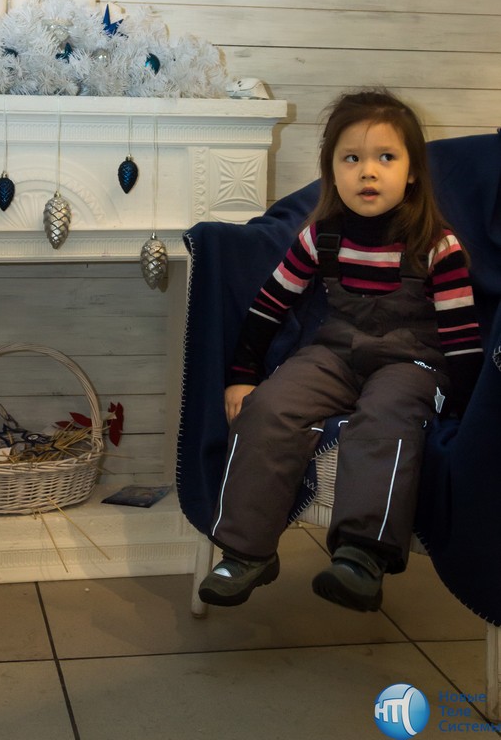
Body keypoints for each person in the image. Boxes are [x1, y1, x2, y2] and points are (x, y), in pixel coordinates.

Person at [198, 89, 483, 613]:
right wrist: (242, 374)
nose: (367, 172)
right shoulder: (320, 237)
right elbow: (269, 306)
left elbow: (463, 340)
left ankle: (361, 555)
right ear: (332, 171)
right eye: (351, 158)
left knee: (386, 415)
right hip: (335, 352)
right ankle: (246, 551)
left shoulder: (437, 246)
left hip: (412, 361)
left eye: (385, 157)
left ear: (412, 172)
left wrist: (469, 416)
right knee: (269, 406)